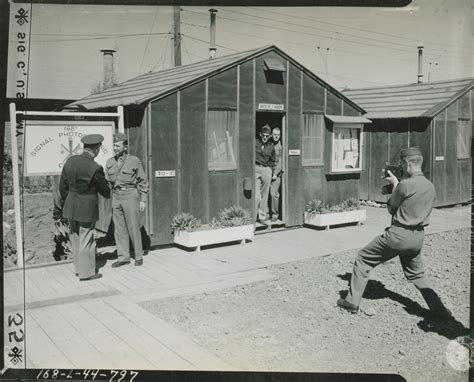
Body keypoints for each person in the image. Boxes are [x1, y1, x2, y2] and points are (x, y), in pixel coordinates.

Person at [337, 147, 451, 317]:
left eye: (402, 164)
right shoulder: (430, 186)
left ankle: (352, 302)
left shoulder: (405, 185)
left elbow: (392, 208)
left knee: (363, 258)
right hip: (417, 237)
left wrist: (396, 185)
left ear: (406, 163)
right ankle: (439, 310)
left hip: (398, 235)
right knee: (417, 274)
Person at [59, 134, 110, 281]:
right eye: (99, 148)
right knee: (86, 238)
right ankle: (86, 273)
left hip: (71, 205)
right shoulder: (95, 167)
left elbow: (62, 187)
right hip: (86, 207)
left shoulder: (70, 161)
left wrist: (67, 201)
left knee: (75, 237)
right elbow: (105, 191)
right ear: (96, 149)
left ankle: (78, 269)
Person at [106, 133, 148, 267]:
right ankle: (123, 257)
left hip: (130, 195)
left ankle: (138, 255)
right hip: (116, 196)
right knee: (119, 228)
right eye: (113, 145)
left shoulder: (134, 161)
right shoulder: (110, 162)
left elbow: (143, 181)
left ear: (125, 146)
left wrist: (143, 200)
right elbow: (108, 183)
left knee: (133, 226)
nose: (115, 148)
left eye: (117, 146)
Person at [255, 124, 276, 224]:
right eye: (263, 135)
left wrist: (270, 170)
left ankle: (262, 216)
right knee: (256, 196)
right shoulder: (255, 142)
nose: (265, 137)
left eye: (267, 136)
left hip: (266, 170)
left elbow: (273, 160)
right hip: (255, 168)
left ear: (270, 136)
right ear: (260, 134)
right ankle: (254, 217)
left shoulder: (271, 146)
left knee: (265, 195)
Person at [270, 127, 283, 222]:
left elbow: (281, 162)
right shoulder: (269, 144)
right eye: (274, 134)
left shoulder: (280, 146)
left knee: (274, 194)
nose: (276, 136)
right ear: (272, 134)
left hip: (276, 174)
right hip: (268, 172)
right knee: (264, 194)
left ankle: (275, 214)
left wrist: (275, 173)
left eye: (278, 135)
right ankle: (265, 214)